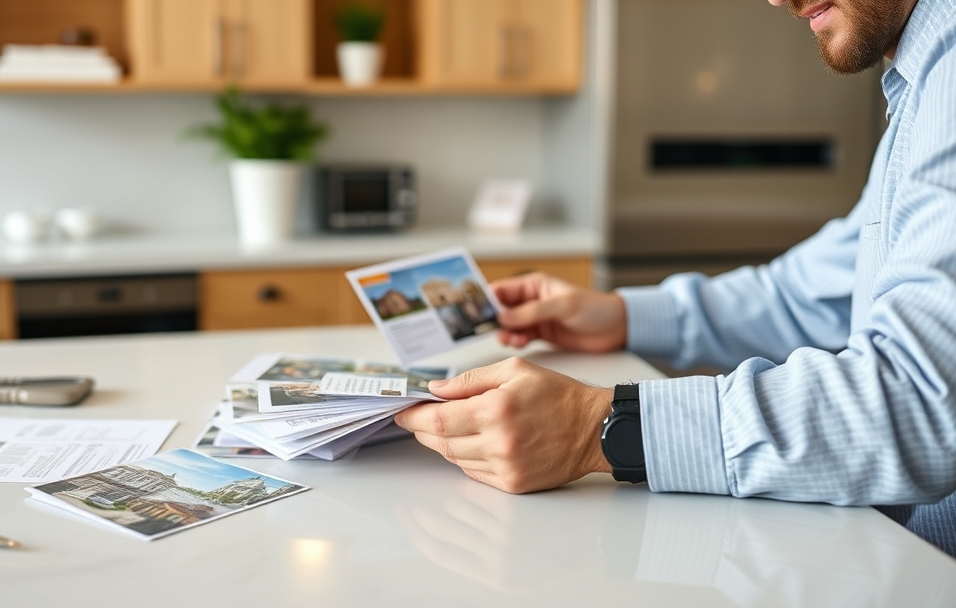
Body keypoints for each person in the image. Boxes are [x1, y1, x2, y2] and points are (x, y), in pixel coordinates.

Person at [394, 0, 956, 557]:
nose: (777, 0)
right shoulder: (920, 80)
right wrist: (621, 315)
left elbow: (919, 399)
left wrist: (599, 427)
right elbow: (811, 294)